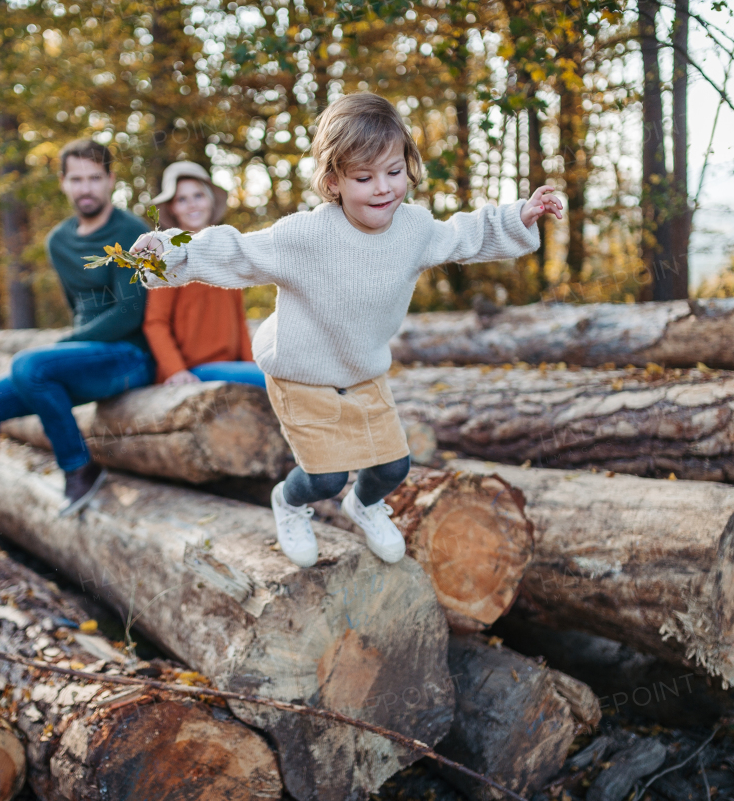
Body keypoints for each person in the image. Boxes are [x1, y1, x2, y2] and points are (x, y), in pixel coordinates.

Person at [131, 92, 562, 569]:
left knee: (393, 466)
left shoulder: (413, 228)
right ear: (333, 181)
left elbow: (463, 235)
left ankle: (366, 505)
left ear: (408, 166)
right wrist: (168, 252)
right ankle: (290, 504)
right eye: (364, 177)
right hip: (300, 371)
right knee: (325, 478)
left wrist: (517, 216)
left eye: (394, 172)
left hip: (362, 370)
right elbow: (238, 251)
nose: (383, 189)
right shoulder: (306, 236)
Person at [0, 139, 154, 574]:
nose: (86, 188)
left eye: (95, 178)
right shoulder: (59, 241)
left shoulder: (130, 231)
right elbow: (78, 307)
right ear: (62, 183)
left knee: (29, 365)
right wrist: (68, 349)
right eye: (76, 178)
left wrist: (62, 348)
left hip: (128, 358)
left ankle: (79, 469)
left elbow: (131, 312)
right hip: (84, 358)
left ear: (111, 181)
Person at [143, 161, 265, 389]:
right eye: (181, 199)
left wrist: (251, 364)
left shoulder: (227, 252)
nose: (191, 204)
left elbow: (238, 318)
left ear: (210, 200)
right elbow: (155, 323)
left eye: (198, 195)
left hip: (234, 366)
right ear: (172, 208)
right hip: (195, 369)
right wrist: (176, 370)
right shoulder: (168, 257)